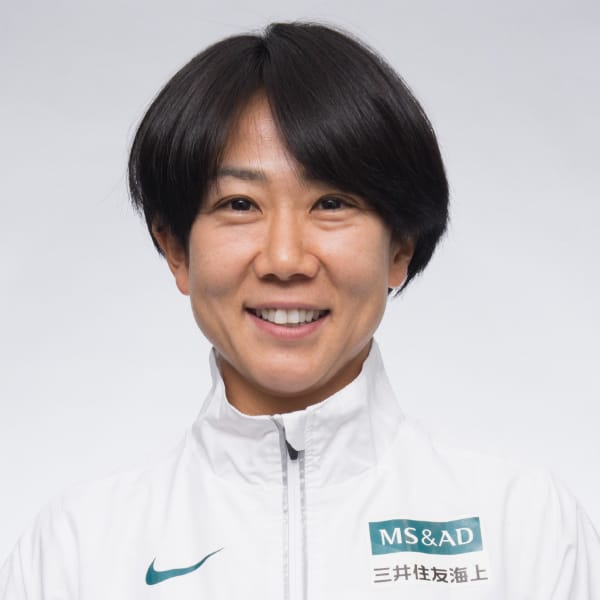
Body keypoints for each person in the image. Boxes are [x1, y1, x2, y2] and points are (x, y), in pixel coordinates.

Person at [1, 21, 598, 600]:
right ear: (177, 250)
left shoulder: (526, 531)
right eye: (240, 204)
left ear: (400, 248)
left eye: (331, 202)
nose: (285, 259)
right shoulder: (76, 552)